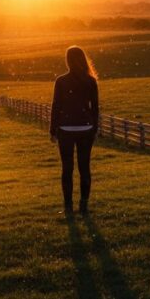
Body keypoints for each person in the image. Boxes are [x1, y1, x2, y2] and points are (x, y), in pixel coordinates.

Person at [49, 46, 99, 214]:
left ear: (67, 60)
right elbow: (95, 108)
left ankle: (68, 205)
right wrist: (94, 128)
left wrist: (52, 130)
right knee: (84, 167)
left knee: (67, 168)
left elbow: (56, 106)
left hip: (65, 128)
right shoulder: (90, 81)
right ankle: (84, 204)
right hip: (86, 128)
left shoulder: (61, 81)